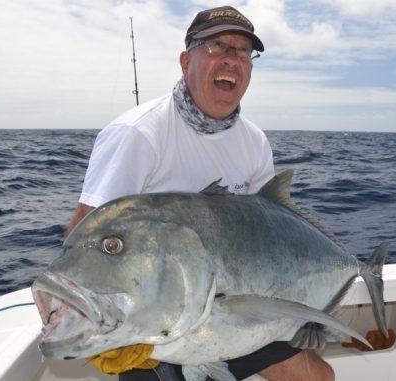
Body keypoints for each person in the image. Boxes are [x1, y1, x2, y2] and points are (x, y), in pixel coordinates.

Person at [66, 5, 334, 381]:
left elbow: (269, 239)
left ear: (250, 68)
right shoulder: (139, 134)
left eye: (242, 52)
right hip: (158, 323)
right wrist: (102, 325)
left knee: (318, 377)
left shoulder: (253, 143)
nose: (231, 59)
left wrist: (297, 314)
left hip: (229, 312)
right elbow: (85, 236)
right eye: (217, 46)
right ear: (185, 60)